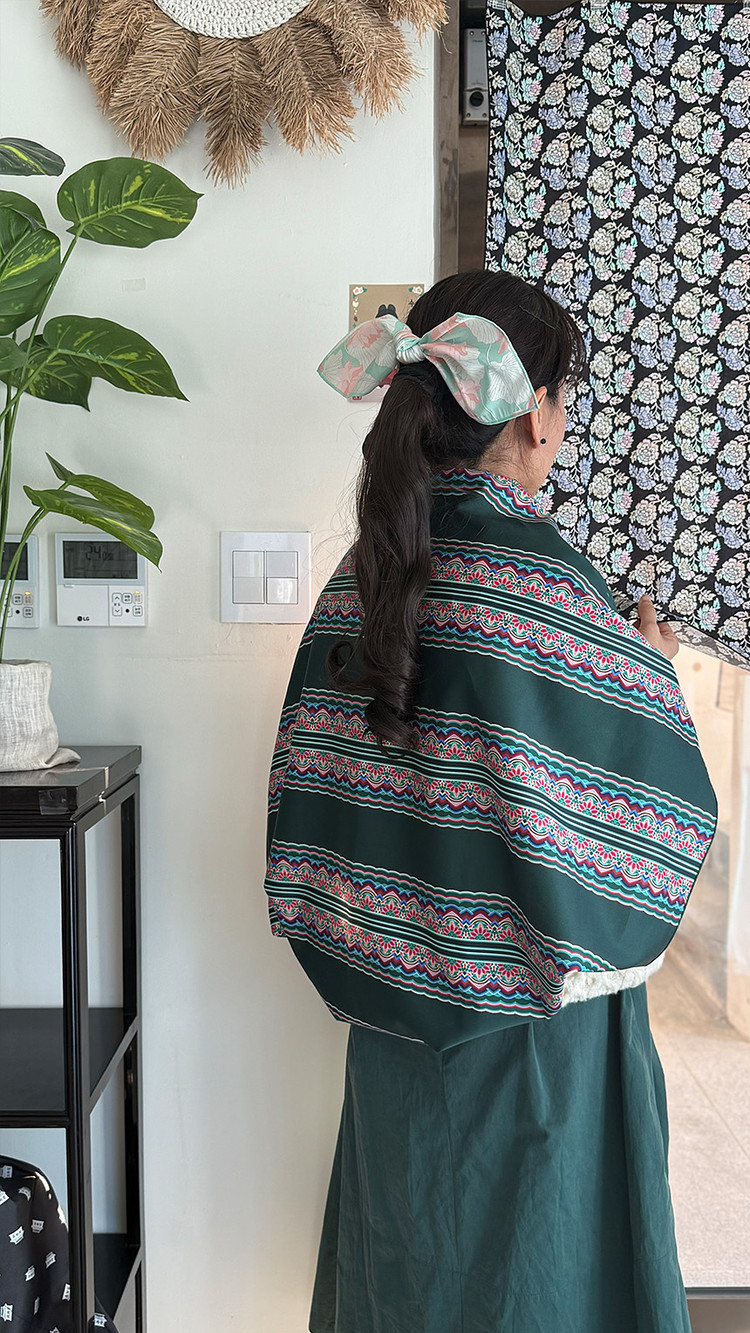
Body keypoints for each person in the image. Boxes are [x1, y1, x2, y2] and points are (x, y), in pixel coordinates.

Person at [263, 269, 718, 1333]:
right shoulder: (548, 587)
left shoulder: (361, 576)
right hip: (540, 1049)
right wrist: (650, 676)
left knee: (405, 1273)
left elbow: (310, 790)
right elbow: (654, 810)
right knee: (545, 1288)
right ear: (537, 413)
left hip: (392, 1033)